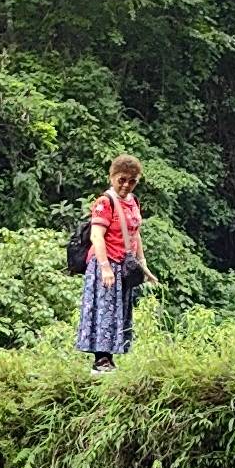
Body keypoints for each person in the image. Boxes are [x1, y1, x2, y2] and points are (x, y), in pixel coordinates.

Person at [78, 155, 146, 369]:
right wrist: (105, 268)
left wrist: (142, 263)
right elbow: (96, 236)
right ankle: (101, 359)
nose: (126, 185)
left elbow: (136, 233)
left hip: (124, 265)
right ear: (112, 177)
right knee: (104, 309)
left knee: (119, 309)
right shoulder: (104, 202)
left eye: (132, 181)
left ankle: (111, 358)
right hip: (105, 263)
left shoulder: (133, 202)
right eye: (122, 179)